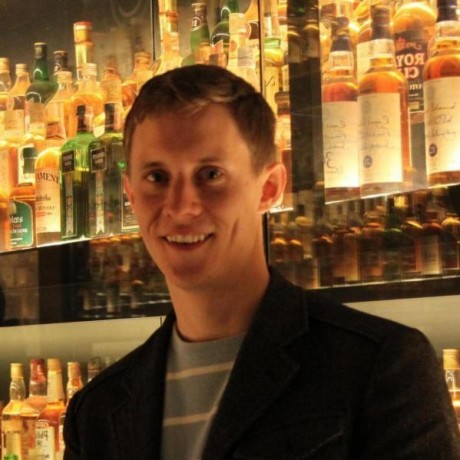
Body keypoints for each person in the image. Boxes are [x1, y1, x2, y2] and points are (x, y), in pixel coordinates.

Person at [63, 64, 460, 460]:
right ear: (131, 195)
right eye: (157, 178)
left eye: (210, 174)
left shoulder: (381, 366)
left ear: (269, 188)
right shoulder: (97, 409)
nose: (181, 207)